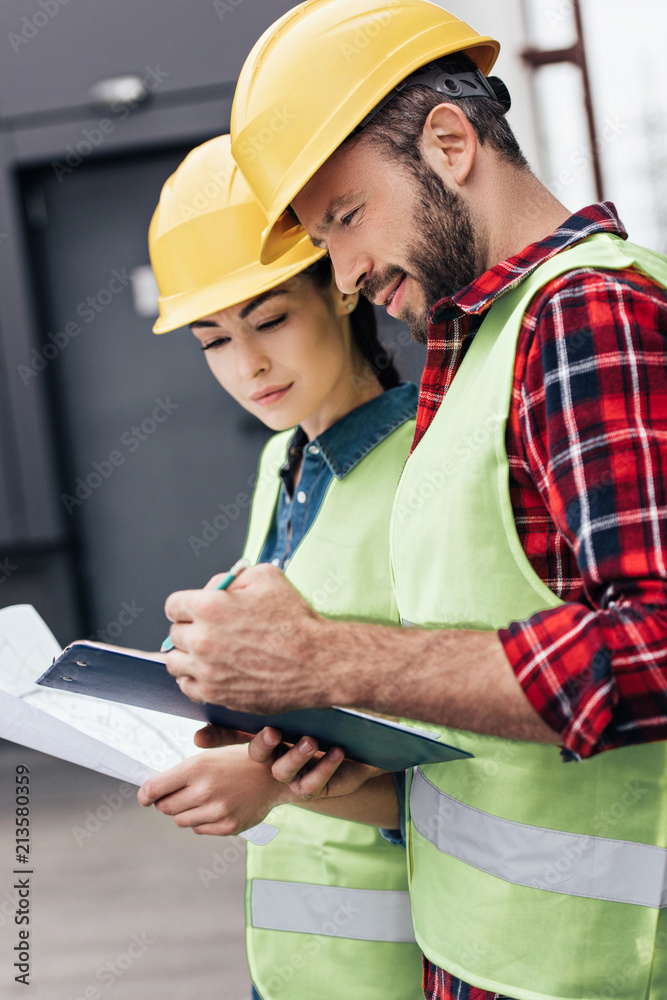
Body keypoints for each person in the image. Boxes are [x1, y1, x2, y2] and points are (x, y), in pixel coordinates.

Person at [160, 3, 667, 1000]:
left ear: (449, 142)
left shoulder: (588, 317)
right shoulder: (472, 352)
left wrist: (323, 658)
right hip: (480, 958)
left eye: (344, 217)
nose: (343, 271)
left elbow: (655, 644)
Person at [139, 133, 423, 1000]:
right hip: (294, 964)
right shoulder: (284, 462)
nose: (248, 365)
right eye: (213, 340)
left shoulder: (425, 464)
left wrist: (268, 780)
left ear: (339, 287)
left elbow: (471, 763)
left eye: (269, 320)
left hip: (397, 960)